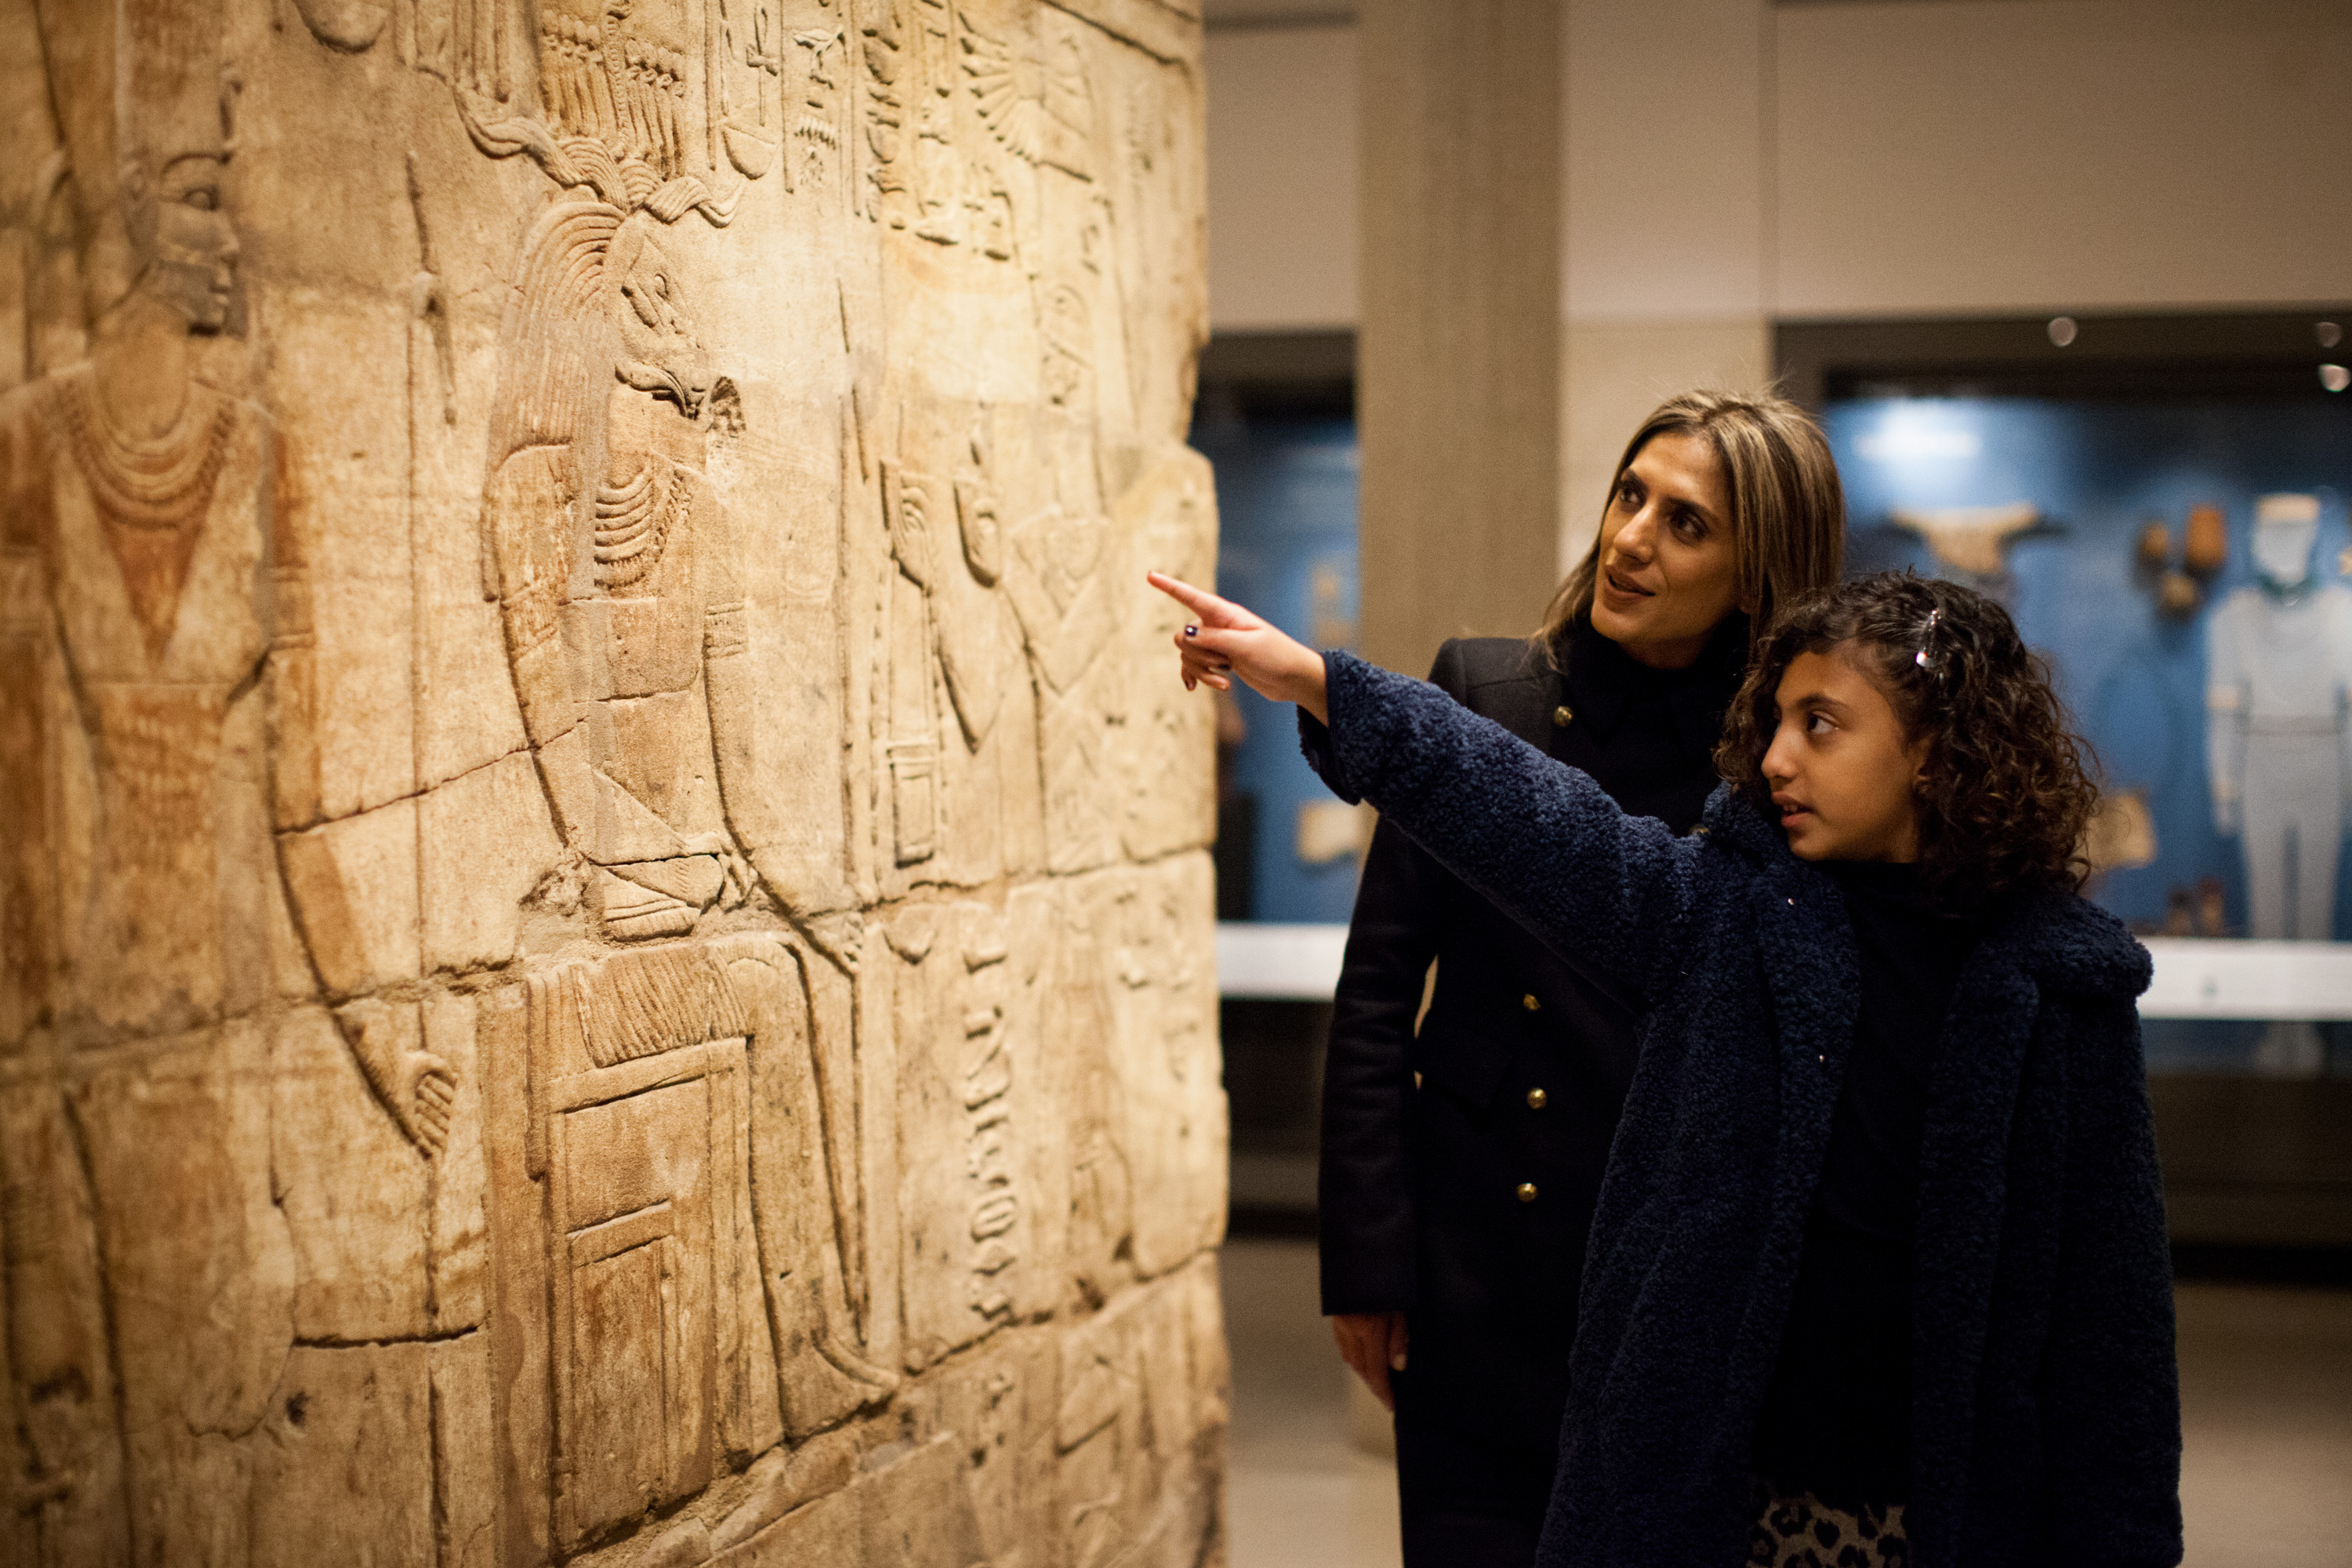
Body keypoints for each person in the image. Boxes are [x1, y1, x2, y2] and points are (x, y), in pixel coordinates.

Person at [1153, 568, 2182, 1567]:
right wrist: (1322, 684)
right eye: (1776, 721)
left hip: (1957, 1512)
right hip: (1722, 1503)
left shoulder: (2061, 992)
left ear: (1933, 749)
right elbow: (1537, 817)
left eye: (1820, 724)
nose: (1777, 758)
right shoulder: (1727, 917)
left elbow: (2114, 1342)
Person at [1317, 390, 1844, 1567]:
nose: (1630, 538)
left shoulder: (1778, 773)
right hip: (1473, 1271)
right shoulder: (1488, 694)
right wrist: (1366, 1260)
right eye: (1629, 494)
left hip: (1672, 1296)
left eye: (1687, 523)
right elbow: (1377, 993)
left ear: (1760, 574)